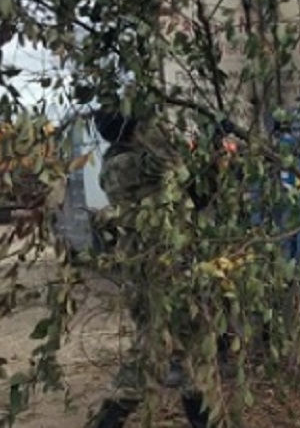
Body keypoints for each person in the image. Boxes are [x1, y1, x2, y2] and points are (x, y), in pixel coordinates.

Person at [88, 106, 217, 428]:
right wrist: (154, 119)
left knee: (194, 348)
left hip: (178, 265)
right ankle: (107, 421)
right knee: (151, 354)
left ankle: (204, 421)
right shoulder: (121, 165)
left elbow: (194, 196)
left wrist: (214, 156)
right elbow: (164, 162)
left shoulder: (146, 163)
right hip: (150, 270)